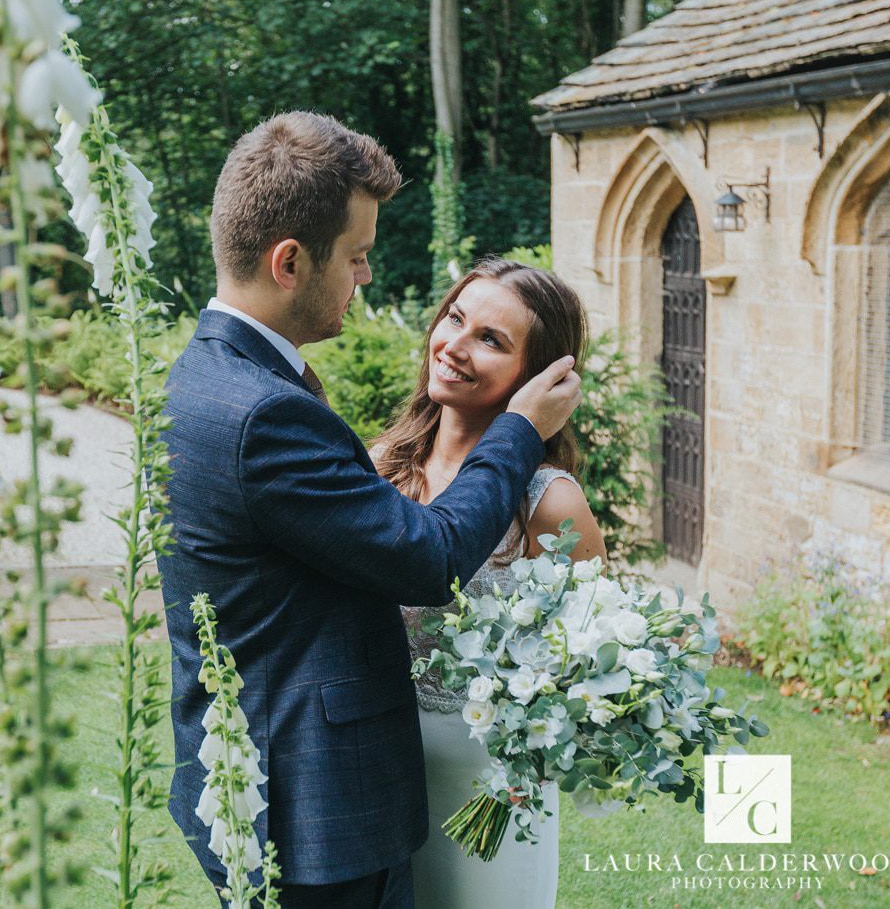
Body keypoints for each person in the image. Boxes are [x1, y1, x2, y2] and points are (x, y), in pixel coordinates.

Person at [156, 112, 582, 908]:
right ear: (290, 262)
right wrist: (523, 426)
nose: (366, 277)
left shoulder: (204, 377)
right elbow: (428, 556)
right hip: (316, 812)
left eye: (491, 336)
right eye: (356, 258)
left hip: (318, 782)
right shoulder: (265, 415)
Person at [373, 258, 607, 909]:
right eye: (455, 318)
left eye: (491, 340)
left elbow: (579, 677)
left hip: (491, 796)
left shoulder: (550, 506)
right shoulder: (378, 470)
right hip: (376, 774)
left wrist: (501, 803)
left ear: (538, 380)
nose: (454, 345)